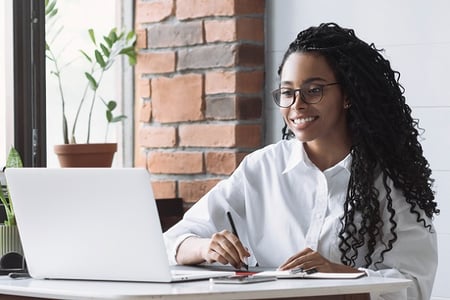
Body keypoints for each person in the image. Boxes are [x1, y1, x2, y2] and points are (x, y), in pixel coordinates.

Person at [163, 23, 439, 300]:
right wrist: (205, 247)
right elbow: (170, 242)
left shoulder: (390, 180)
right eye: (287, 92)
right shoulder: (262, 168)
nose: (297, 104)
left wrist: (339, 278)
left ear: (347, 95)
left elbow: (414, 285)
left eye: (313, 90)